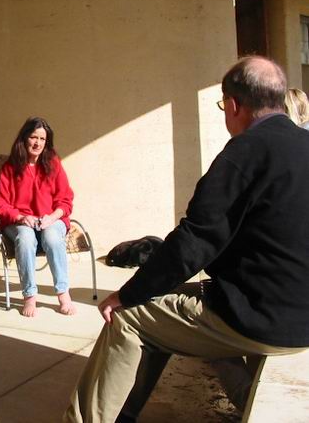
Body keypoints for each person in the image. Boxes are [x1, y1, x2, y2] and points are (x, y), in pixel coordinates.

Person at [64, 57, 309, 422]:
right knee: (162, 306)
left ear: (233, 105)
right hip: (296, 310)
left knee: (129, 317)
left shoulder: (243, 153)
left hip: (263, 319)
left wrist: (126, 294)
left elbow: (192, 243)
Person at [0, 116, 76, 317]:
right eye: (33, 137)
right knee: (26, 238)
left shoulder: (54, 163)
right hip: (19, 222)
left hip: (51, 220)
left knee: (52, 237)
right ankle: (29, 296)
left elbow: (65, 200)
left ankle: (63, 293)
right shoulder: (10, 167)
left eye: (42, 139)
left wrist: (52, 218)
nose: (37, 143)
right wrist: (20, 217)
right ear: (24, 138)